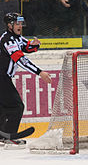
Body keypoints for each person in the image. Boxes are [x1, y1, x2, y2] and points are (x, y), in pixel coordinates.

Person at [0, 13, 52, 148]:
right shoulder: (7, 40)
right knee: (17, 106)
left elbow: (26, 46)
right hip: (2, 78)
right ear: (9, 25)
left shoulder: (16, 38)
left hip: (3, 78)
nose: (20, 26)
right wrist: (40, 72)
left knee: (4, 108)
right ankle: (9, 136)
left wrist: (34, 45)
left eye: (20, 24)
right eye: (17, 24)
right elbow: (20, 59)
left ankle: (3, 136)